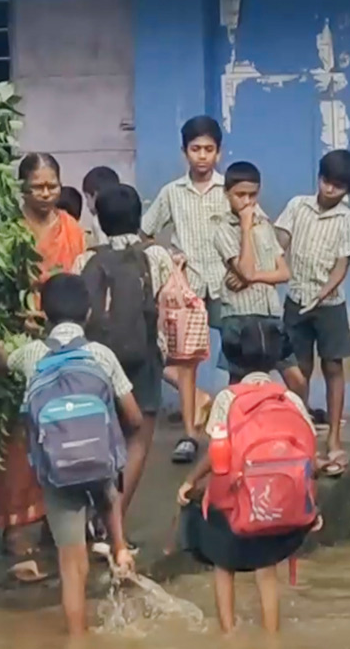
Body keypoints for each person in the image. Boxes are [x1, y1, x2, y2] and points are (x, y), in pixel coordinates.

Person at [0, 273, 138, 636]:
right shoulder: (101, 356)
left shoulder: (32, 355)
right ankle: (120, 548)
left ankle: (78, 638)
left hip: (57, 473)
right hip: (101, 466)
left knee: (72, 566)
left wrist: (11, 333)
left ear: (44, 312)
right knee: (108, 483)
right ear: (88, 313)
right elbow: (132, 417)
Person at [175, 330, 319, 635]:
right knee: (266, 571)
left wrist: (190, 481)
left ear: (233, 361)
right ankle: (271, 636)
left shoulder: (228, 398)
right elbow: (308, 449)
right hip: (276, 501)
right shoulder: (288, 397)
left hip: (232, 501)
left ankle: (228, 635)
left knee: (223, 566)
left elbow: (217, 452)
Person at [0, 153, 87, 558]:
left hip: (63, 343)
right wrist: (18, 317)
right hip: (20, 341)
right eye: (38, 187)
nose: (46, 194)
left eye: (53, 186)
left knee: (63, 430)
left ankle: (55, 521)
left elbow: (82, 286)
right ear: (23, 189)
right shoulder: (8, 232)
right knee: (17, 438)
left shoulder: (73, 230)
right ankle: (15, 529)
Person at [75, 184, 176, 520]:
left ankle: (89, 514)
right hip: (143, 357)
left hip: (95, 360)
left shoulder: (85, 259)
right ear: (138, 218)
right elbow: (168, 305)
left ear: (101, 220)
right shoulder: (157, 256)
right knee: (138, 439)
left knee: (99, 437)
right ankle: (113, 521)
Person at [275, 149, 350, 477]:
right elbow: (278, 245)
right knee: (298, 371)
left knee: (333, 368)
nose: (330, 190)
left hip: (329, 306)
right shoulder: (297, 206)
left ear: (348, 191)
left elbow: (342, 266)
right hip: (295, 300)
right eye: (327, 181)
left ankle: (335, 439)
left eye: (338, 187)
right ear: (319, 177)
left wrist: (322, 293)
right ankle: (300, 437)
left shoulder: (349, 221)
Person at [142, 116, 227, 463]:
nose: (202, 156)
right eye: (195, 149)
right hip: (185, 290)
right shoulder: (171, 193)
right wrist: (168, 257)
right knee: (185, 361)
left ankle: (234, 428)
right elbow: (146, 232)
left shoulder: (229, 190)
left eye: (209, 149)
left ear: (219, 153)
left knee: (239, 352)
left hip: (225, 282)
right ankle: (190, 434)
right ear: (184, 153)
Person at [214, 161, 308, 396]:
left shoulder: (265, 225)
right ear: (227, 194)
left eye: (252, 195)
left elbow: (284, 273)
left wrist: (252, 278)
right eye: (240, 195)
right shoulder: (223, 229)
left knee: (296, 379)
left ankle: (298, 423)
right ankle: (235, 428)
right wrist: (245, 228)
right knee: (239, 382)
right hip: (239, 317)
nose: (247, 202)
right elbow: (244, 269)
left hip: (270, 315)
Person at [82, 165, 120, 246]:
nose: (87, 204)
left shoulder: (98, 221)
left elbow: (102, 249)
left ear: (95, 195)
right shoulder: (125, 217)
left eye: (87, 197)